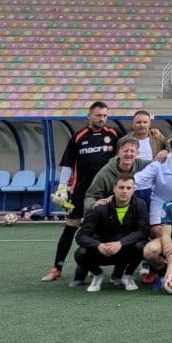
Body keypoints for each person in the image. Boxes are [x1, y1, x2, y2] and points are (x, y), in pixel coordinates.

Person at [44, 101, 119, 283]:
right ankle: (57, 268)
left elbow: (129, 150)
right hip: (80, 192)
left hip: (107, 192)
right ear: (89, 116)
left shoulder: (114, 134)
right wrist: (62, 188)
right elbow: (68, 165)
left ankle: (107, 269)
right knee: (71, 227)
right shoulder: (78, 137)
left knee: (110, 228)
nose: (101, 119)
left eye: (104, 116)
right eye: (98, 115)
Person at [72, 174, 150, 292]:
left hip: (125, 250)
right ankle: (98, 275)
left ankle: (127, 276)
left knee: (143, 245)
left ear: (134, 190)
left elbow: (143, 231)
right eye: (121, 187)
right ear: (114, 189)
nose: (124, 191)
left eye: (128, 188)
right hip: (103, 251)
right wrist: (99, 245)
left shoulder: (140, 205)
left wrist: (120, 243)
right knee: (80, 253)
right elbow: (81, 236)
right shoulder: (99, 208)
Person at [85, 138, 148, 208]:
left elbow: (159, 164)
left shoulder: (144, 165)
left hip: (135, 208)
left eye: (132, 151)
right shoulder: (105, 173)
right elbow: (90, 197)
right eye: (125, 151)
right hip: (110, 209)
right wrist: (95, 205)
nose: (129, 154)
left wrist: (162, 152)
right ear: (119, 153)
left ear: (137, 154)